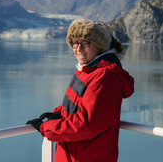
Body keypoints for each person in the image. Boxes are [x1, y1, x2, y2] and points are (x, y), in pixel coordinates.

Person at [26, 19, 134, 162]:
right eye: (75, 43)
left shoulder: (105, 76)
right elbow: (79, 107)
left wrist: (46, 128)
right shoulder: (87, 70)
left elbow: (87, 124)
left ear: (99, 46)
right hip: (74, 154)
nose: (78, 49)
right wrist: (60, 113)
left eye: (85, 43)